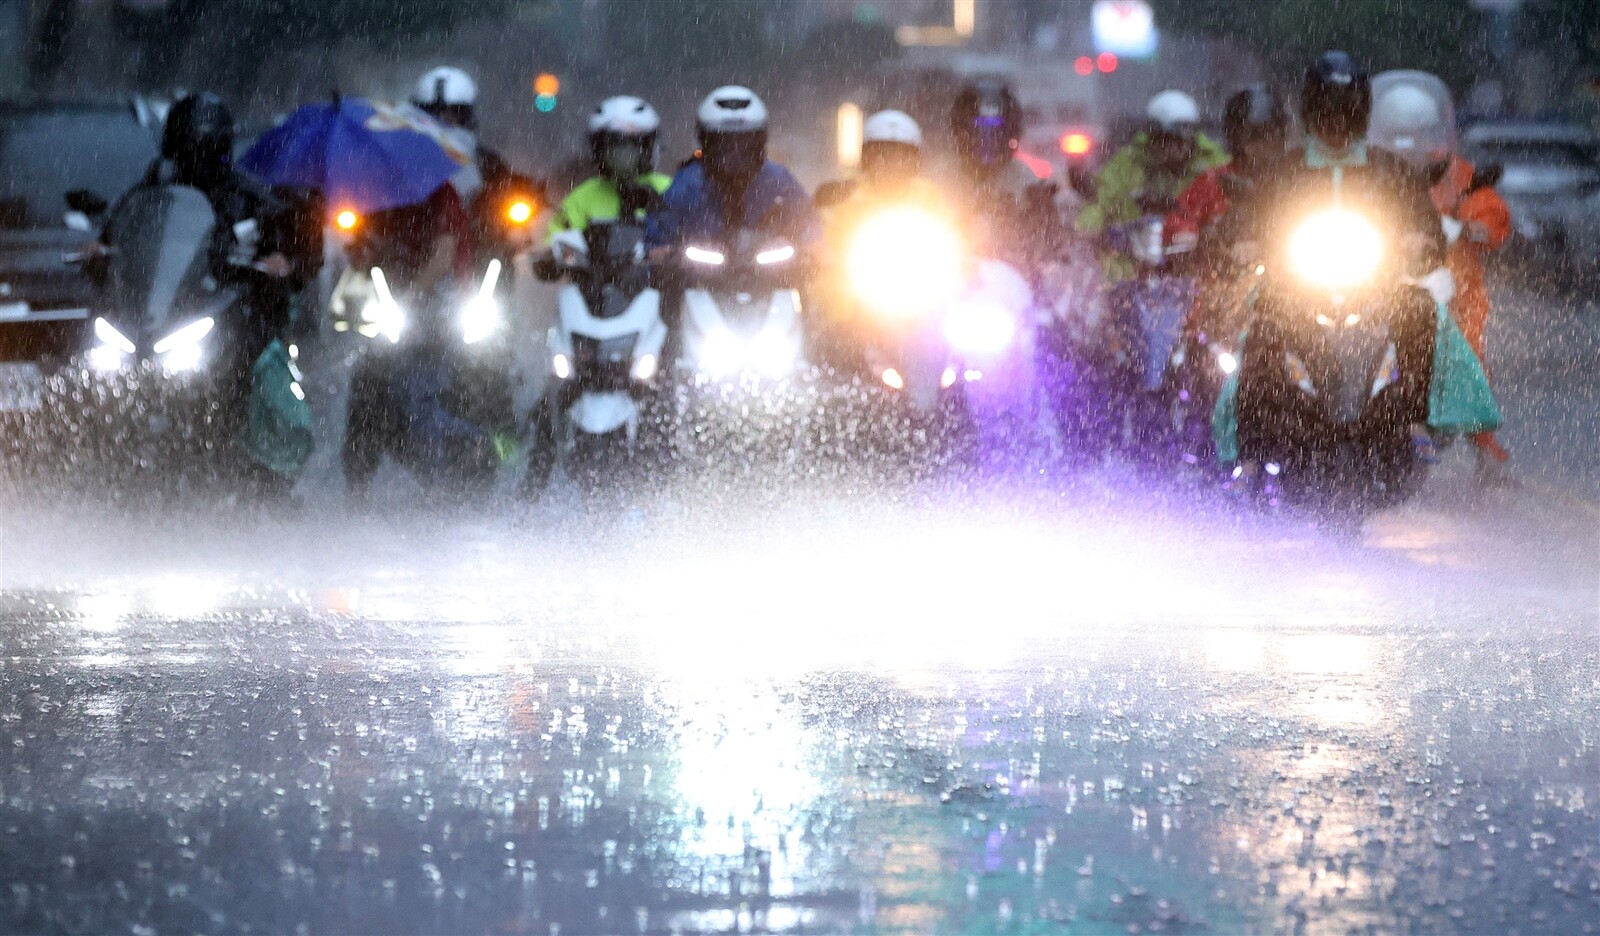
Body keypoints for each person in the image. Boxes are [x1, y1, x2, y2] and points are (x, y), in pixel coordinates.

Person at [1231, 51, 1447, 469]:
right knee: (1261, 325)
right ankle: (1253, 452)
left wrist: (1420, 240)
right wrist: (1244, 243)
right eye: (1328, 110)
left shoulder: (1391, 170)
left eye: (1346, 111)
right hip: (1297, 290)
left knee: (1420, 309)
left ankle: (1416, 421)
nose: (1337, 121)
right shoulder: (1282, 172)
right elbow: (1245, 221)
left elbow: (1425, 221)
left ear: (1361, 112)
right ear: (1311, 112)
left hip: (1374, 288)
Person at [1368, 80, 1514, 475]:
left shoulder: (1453, 171)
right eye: (1398, 136)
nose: (1407, 145)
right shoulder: (1373, 170)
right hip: (1380, 281)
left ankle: (1484, 449)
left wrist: (1473, 224)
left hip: (1451, 292)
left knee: (1468, 359)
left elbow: (1487, 207)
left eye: (1415, 135)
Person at [812, 110, 958, 370]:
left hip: (921, 293)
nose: (891, 164)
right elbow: (823, 239)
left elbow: (954, 237)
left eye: (901, 156)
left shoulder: (929, 197)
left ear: (914, 161)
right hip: (859, 299)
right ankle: (838, 380)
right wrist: (826, 258)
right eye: (882, 155)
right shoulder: (846, 197)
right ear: (867, 159)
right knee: (834, 330)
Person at [645, 85, 819, 254]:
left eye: (745, 144)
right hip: (700, 280)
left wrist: (813, 250)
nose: (734, 155)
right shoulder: (687, 184)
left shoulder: (779, 180)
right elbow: (659, 236)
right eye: (724, 145)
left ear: (760, 143)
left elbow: (809, 223)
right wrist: (663, 254)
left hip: (775, 278)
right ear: (705, 144)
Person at [946, 77, 1063, 268]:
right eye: (978, 130)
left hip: (1016, 282)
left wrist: (1037, 212)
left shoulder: (1028, 183)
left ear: (1011, 134)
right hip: (951, 280)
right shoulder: (940, 180)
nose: (986, 141)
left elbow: (1050, 244)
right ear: (960, 133)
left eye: (996, 132)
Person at [549, 95, 672, 235]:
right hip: (596, 258)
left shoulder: (669, 190)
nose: (623, 155)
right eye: (613, 145)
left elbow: (692, 235)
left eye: (632, 144)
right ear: (598, 150)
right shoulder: (584, 196)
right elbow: (555, 242)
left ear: (649, 147)